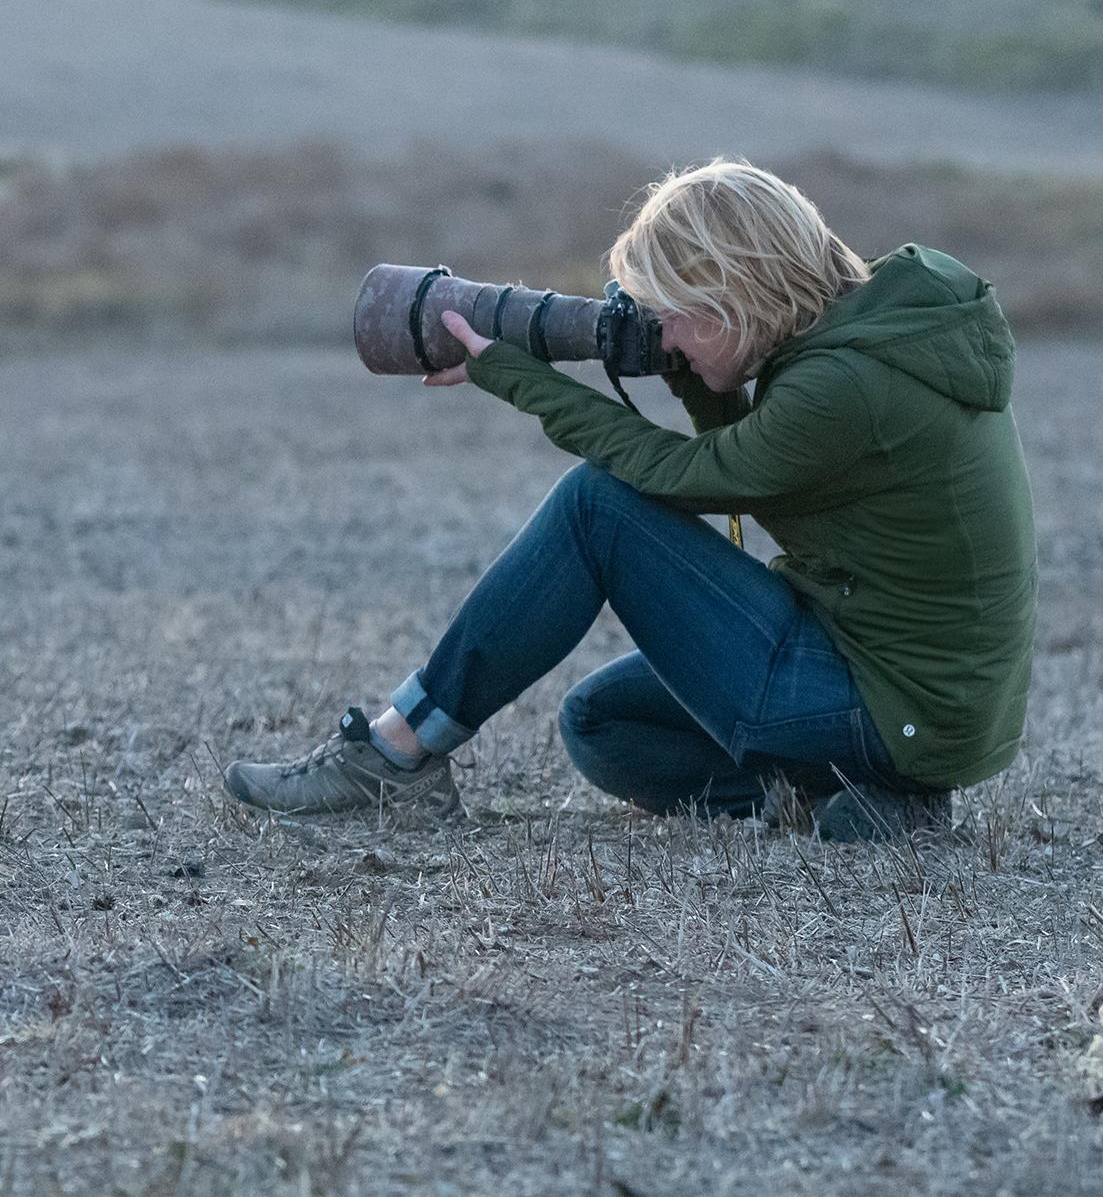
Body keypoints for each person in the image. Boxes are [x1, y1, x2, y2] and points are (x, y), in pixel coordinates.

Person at [223, 158, 1038, 840]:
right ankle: (858, 799)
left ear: (737, 292)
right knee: (602, 727)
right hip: (909, 689)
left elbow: (697, 479)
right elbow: (756, 469)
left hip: (895, 699)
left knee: (596, 506)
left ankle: (395, 755)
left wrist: (513, 373)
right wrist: (698, 381)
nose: (667, 337)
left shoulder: (846, 383)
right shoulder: (871, 332)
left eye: (677, 317)